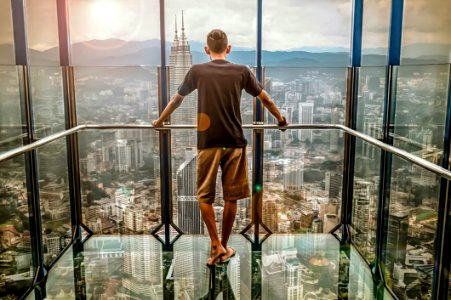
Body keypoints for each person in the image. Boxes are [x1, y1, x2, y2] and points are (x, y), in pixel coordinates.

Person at [152, 29, 287, 266]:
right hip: (234, 142)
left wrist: (160, 121)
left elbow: (177, 100)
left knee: (204, 195)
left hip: (208, 142)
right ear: (229, 48)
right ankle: (223, 247)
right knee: (231, 197)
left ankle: (215, 244)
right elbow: (264, 98)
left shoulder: (197, 71)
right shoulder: (242, 71)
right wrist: (280, 119)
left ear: (206, 49)